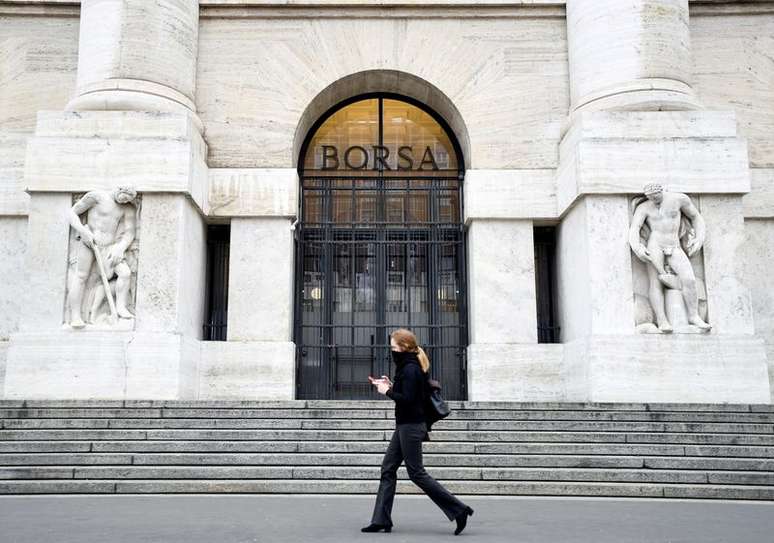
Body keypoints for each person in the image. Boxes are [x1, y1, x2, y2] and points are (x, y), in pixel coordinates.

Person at [361, 328, 474, 536]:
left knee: (417, 473)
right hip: (405, 424)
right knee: (388, 468)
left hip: (411, 426)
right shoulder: (407, 366)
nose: (392, 351)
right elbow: (408, 393)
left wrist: (387, 392)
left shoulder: (411, 368)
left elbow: (409, 400)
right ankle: (381, 519)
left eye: (394, 347)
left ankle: (459, 510)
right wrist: (390, 385)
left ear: (403, 348)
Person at [629, 183, 711, 333]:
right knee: (656, 282)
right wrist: (637, 247)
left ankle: (693, 316)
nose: (655, 200)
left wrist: (699, 238)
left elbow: (695, 216)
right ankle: (662, 320)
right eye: (651, 198)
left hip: (674, 245)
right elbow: (635, 228)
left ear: (663, 191)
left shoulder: (679, 199)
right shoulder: (644, 207)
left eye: (657, 196)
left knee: (689, 279)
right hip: (655, 245)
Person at [67, 186, 138, 327]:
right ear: (120, 189)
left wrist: (120, 248)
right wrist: (83, 231)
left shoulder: (127, 208)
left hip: (110, 247)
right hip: (89, 242)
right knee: (81, 276)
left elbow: (130, 232)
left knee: (125, 273)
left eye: (128, 199)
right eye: (124, 197)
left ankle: (121, 307)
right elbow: (72, 213)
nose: (125, 201)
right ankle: (75, 317)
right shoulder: (96, 197)